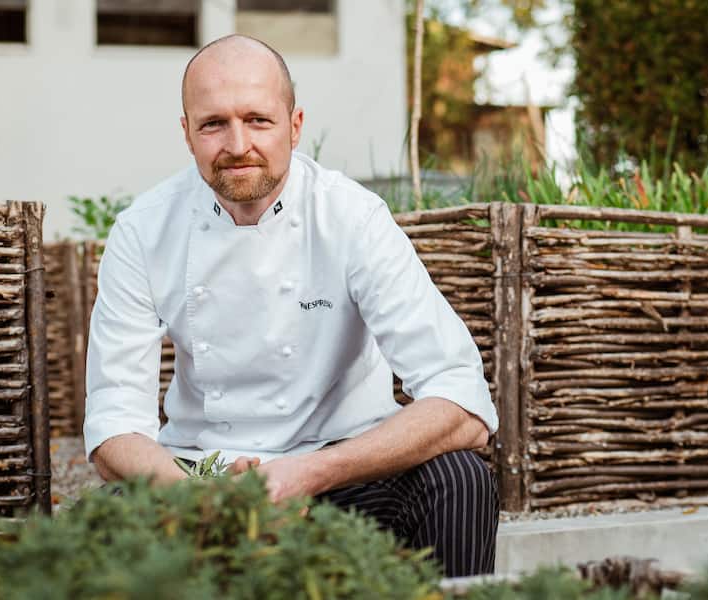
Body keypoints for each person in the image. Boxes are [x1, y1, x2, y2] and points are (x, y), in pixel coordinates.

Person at [83, 34, 499, 576]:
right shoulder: (143, 231)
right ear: (186, 134)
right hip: (199, 478)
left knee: (459, 476)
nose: (237, 144)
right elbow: (115, 422)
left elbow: (463, 404)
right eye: (213, 124)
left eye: (258, 119)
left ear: (295, 126)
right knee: (108, 519)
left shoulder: (353, 217)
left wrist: (310, 473)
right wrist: (203, 498)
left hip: (344, 473)